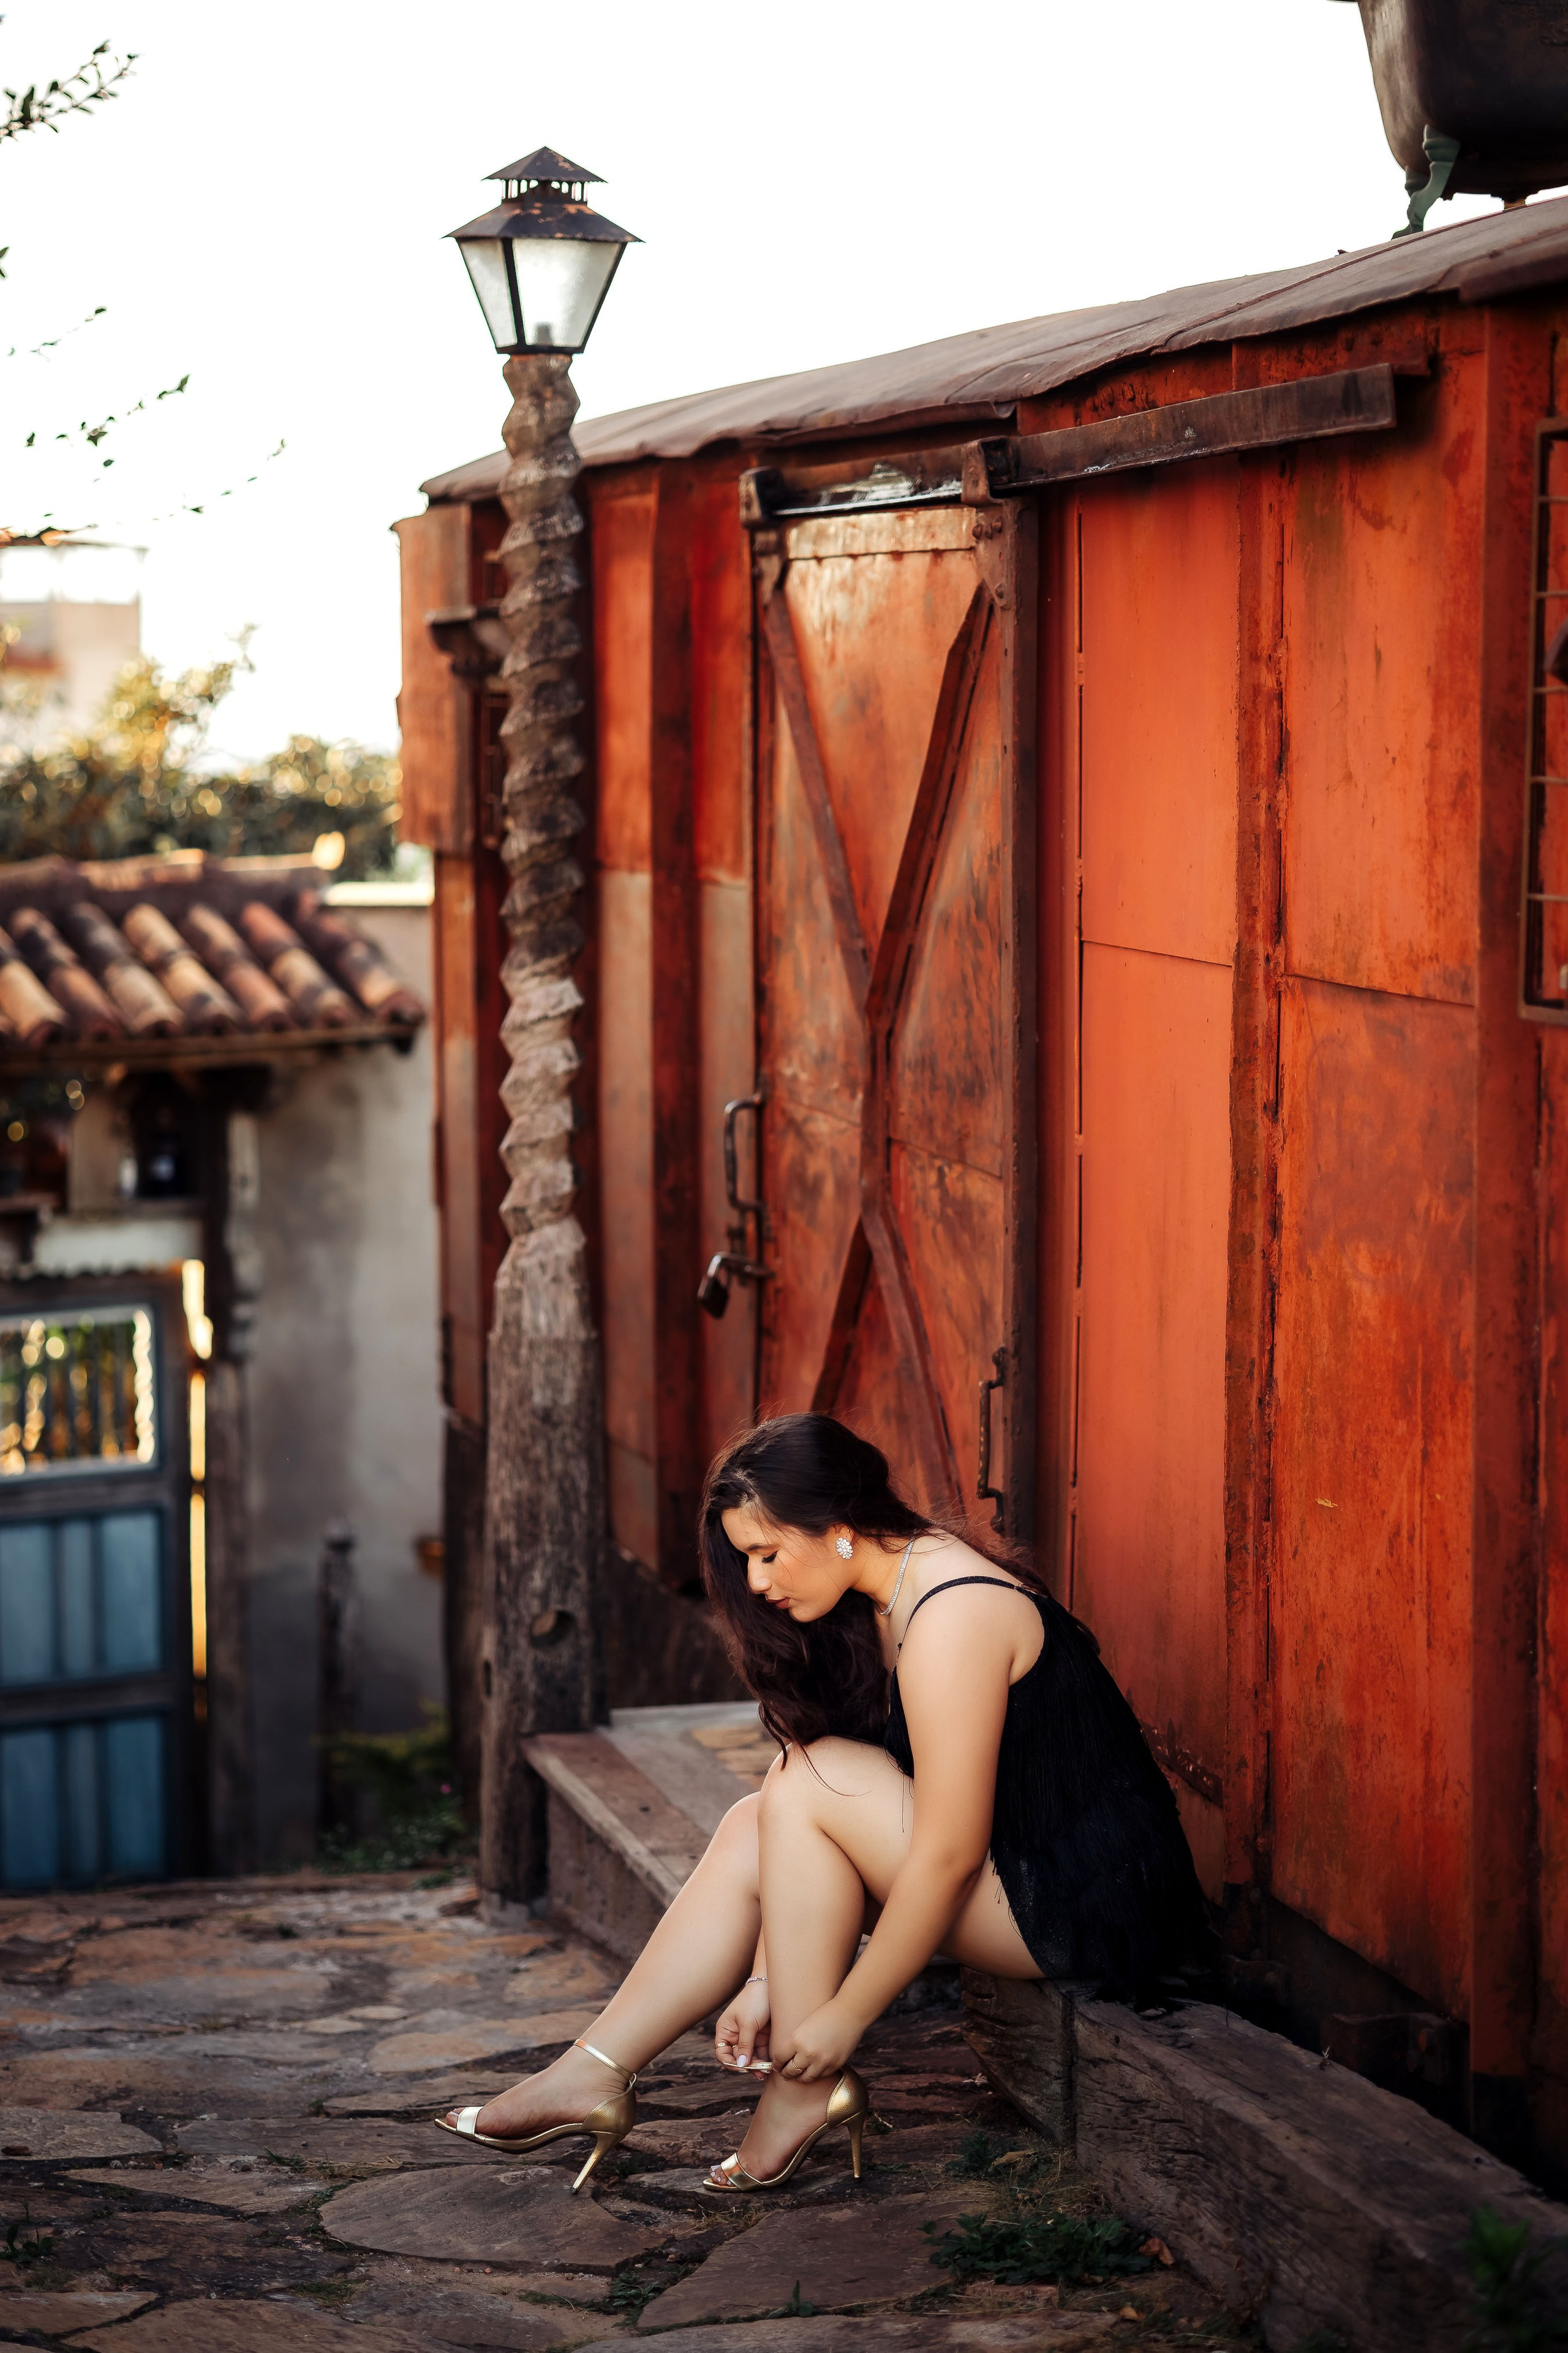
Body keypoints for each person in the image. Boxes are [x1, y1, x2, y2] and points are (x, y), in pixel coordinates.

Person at [438, 1412, 1208, 2194]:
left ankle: (804, 2091)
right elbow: (799, 1819)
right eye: (747, 1560)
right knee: (761, 1813)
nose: (759, 1582)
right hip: (1023, 1871)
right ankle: (591, 2070)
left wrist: (844, 2015)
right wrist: (767, 1977)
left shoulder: (951, 1614)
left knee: (813, 1778)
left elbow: (948, 1854)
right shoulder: (885, 1592)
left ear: (838, 1527)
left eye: (768, 1554)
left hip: (1079, 1907)